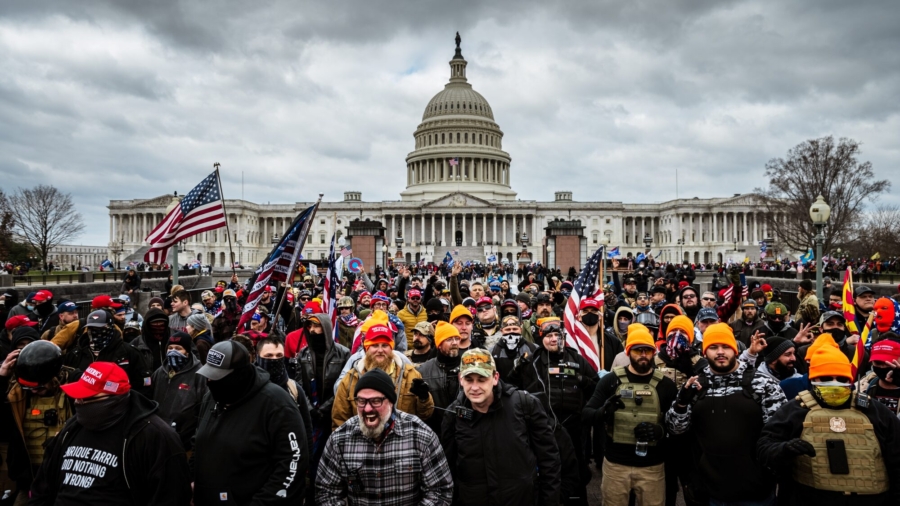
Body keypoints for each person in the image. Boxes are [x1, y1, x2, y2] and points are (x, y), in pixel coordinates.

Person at [28, 362, 192, 505]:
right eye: (77, 397)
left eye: (87, 397)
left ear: (114, 397)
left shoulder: (155, 436)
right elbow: (43, 486)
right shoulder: (72, 427)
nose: (78, 402)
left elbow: (171, 496)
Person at [757, 344, 900, 505]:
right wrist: (784, 449)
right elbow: (765, 447)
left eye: (841, 379)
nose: (835, 384)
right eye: (825, 379)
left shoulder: (874, 411)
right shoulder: (795, 410)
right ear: (813, 379)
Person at [666, 323, 787, 504]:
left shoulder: (762, 384)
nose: (720, 352)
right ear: (705, 352)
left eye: (726, 347)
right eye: (713, 347)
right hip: (710, 492)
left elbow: (779, 433)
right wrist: (682, 401)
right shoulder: (695, 385)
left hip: (756, 491)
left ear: (735, 350)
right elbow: (675, 429)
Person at [193, 340, 308, 505]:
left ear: (238, 375)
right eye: (209, 375)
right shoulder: (211, 397)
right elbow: (199, 441)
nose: (210, 382)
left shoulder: (276, 404)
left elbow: (292, 462)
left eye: (217, 377)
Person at [316, 368, 454, 505]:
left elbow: (440, 491)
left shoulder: (421, 435)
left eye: (376, 401)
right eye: (361, 401)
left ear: (391, 401)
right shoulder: (340, 439)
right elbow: (327, 492)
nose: (367, 408)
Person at [441, 349, 561, 506]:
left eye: (482, 379)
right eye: (469, 380)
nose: (475, 387)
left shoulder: (525, 405)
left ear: (495, 377)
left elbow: (549, 460)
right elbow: (448, 470)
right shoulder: (453, 415)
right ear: (460, 379)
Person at [582, 325, 677, 506]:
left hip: (652, 466)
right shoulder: (610, 381)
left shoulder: (665, 385)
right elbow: (586, 414)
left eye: (647, 350)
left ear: (653, 352)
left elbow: (677, 425)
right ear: (628, 351)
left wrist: (659, 430)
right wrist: (604, 412)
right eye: (637, 350)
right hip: (616, 465)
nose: (643, 354)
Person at [0, 341, 78, 504]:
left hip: (67, 479)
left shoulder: (75, 385)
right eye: (30, 389)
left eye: (40, 388)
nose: (34, 392)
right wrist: (2, 378)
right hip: (29, 481)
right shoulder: (16, 395)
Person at [332, 320, 434, 429]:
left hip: (402, 441)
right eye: (375, 345)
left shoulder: (411, 375)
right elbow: (339, 420)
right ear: (366, 348)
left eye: (385, 345)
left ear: (391, 348)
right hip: (363, 442)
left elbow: (425, 415)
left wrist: (424, 399)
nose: (380, 350)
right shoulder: (350, 379)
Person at [296, 313, 350, 481]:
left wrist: (326, 407)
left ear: (325, 328)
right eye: (309, 326)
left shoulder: (343, 354)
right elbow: (299, 385)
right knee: (312, 455)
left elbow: (344, 385)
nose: (312, 330)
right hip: (310, 414)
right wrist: (310, 408)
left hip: (333, 413)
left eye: (317, 326)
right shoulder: (302, 355)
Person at [149, 331, 207, 451]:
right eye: (170, 348)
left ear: (187, 351)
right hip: (157, 435)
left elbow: (203, 408)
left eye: (178, 348)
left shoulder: (199, 374)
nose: (173, 351)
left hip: (184, 441)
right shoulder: (159, 372)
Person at [84, 309, 152, 396]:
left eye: (101, 328)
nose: (97, 332)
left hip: (121, 404)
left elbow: (145, 382)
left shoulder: (129, 352)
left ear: (111, 327)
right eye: (93, 329)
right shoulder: (78, 353)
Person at [417, 321, 464, 434]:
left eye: (456, 339)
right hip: (435, 432)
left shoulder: (470, 366)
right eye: (449, 339)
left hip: (464, 432)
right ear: (439, 344)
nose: (454, 343)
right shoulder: (423, 371)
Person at [491, 313, 537, 381]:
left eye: (515, 329)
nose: (511, 332)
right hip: (502, 390)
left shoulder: (533, 348)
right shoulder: (492, 351)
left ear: (520, 330)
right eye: (508, 329)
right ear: (501, 331)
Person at [131, 307, 169, 372]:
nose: (158, 325)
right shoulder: (137, 342)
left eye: (161, 323)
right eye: (154, 323)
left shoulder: (176, 337)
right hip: (147, 379)